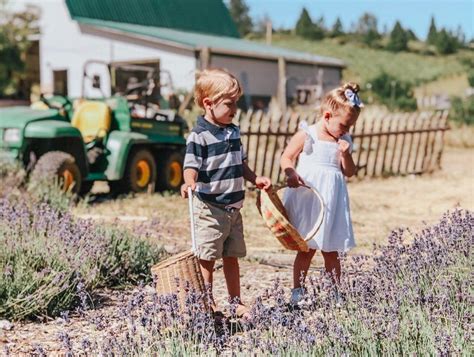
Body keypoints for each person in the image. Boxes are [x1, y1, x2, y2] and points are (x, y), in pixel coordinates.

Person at [181, 68, 272, 318]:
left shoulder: (233, 131)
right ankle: (207, 303)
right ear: (209, 104)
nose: (235, 109)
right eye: (229, 104)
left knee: (232, 256)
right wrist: (189, 182)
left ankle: (235, 301)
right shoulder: (199, 136)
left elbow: (240, 163)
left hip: (234, 208)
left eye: (236, 103)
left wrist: (255, 178)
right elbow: (190, 165)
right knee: (207, 257)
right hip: (210, 208)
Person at [280, 82, 363, 306]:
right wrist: (290, 173)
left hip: (333, 200)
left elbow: (350, 172)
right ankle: (298, 291)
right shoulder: (309, 134)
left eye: (350, 127)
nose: (347, 131)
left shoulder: (344, 141)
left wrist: (346, 155)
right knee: (306, 249)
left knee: (331, 250)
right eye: (344, 126)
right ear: (327, 116)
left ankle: (336, 292)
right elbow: (286, 157)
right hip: (311, 198)